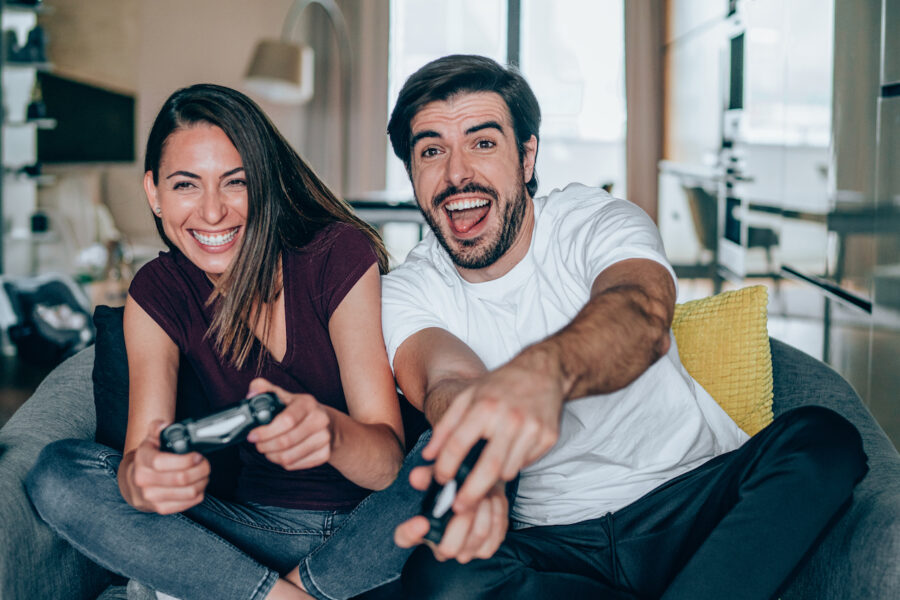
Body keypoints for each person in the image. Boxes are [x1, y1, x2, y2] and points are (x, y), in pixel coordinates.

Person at [373, 54, 867, 598]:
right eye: (432, 151)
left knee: (821, 441)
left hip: (690, 500)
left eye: (483, 143)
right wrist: (479, 467)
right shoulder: (407, 288)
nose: (457, 172)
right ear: (413, 174)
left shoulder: (595, 219)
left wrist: (547, 371)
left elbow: (639, 311)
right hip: (554, 540)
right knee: (441, 577)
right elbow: (446, 380)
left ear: (527, 157)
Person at [25, 84, 406, 600]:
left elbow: (386, 465)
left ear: (265, 185)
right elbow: (142, 457)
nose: (211, 213)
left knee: (465, 447)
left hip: (372, 532)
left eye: (235, 183)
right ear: (154, 193)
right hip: (247, 534)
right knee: (57, 471)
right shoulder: (158, 291)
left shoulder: (334, 253)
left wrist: (332, 434)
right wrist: (145, 480)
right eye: (186, 185)